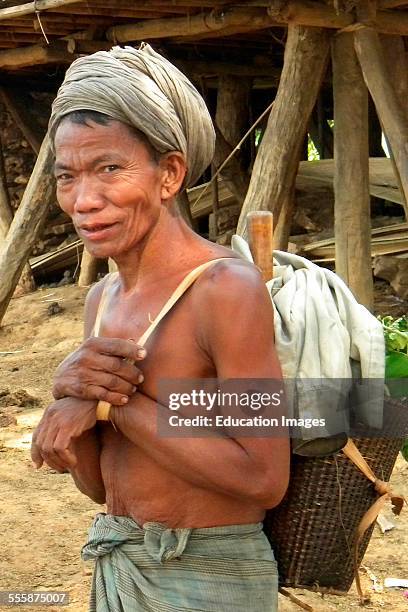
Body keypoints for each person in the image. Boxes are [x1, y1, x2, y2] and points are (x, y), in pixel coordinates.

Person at [31, 44, 290, 612]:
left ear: (170, 173)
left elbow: (262, 476)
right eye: (67, 176)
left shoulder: (225, 290)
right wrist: (68, 399)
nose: (84, 201)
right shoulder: (101, 299)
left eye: (109, 169)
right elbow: (102, 488)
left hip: (210, 573)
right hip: (121, 559)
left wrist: (111, 405)